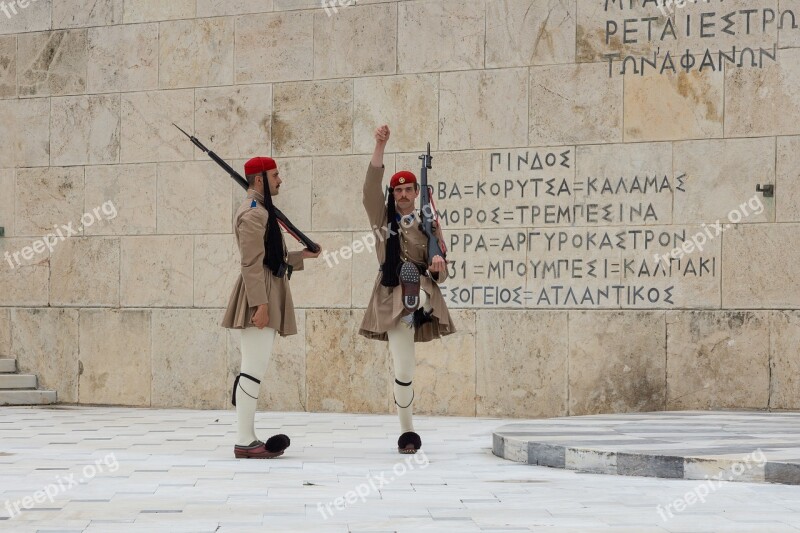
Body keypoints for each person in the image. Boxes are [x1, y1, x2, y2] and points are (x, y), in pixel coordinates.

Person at [359, 125, 455, 454]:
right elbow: (370, 188)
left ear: (416, 193)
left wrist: (439, 264)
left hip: (422, 293)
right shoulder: (382, 219)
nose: (402, 195)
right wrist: (379, 145)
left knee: (419, 287)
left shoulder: (429, 223)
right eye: (397, 190)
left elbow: (440, 270)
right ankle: (407, 431)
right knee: (404, 368)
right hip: (393, 299)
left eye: (407, 190)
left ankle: (424, 313)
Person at [221, 156, 320, 459]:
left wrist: (303, 256)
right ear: (260, 178)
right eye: (276, 175)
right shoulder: (253, 214)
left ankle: (248, 437)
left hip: (267, 288)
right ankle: (245, 441)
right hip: (260, 293)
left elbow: (272, 257)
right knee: (251, 371)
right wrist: (260, 305)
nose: (280, 180)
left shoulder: (263, 211)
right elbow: (251, 264)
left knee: (254, 369)